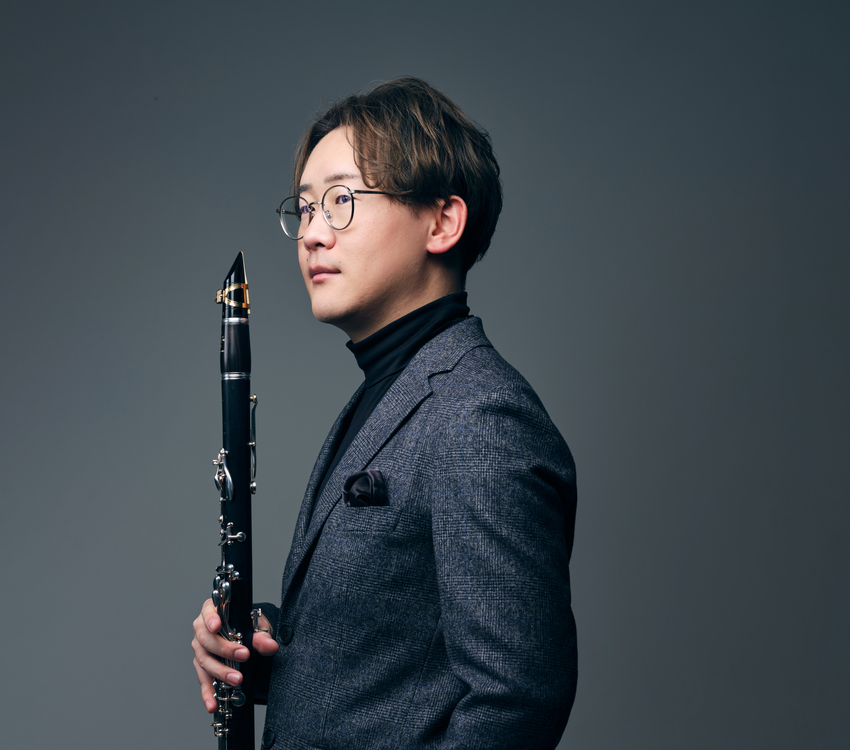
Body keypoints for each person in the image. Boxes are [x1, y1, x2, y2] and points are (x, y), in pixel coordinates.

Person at [192, 76, 577, 750]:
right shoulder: (387, 393)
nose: (311, 234)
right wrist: (265, 648)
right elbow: (394, 667)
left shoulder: (481, 418)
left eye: (341, 201)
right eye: (303, 208)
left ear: (442, 222)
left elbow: (516, 703)